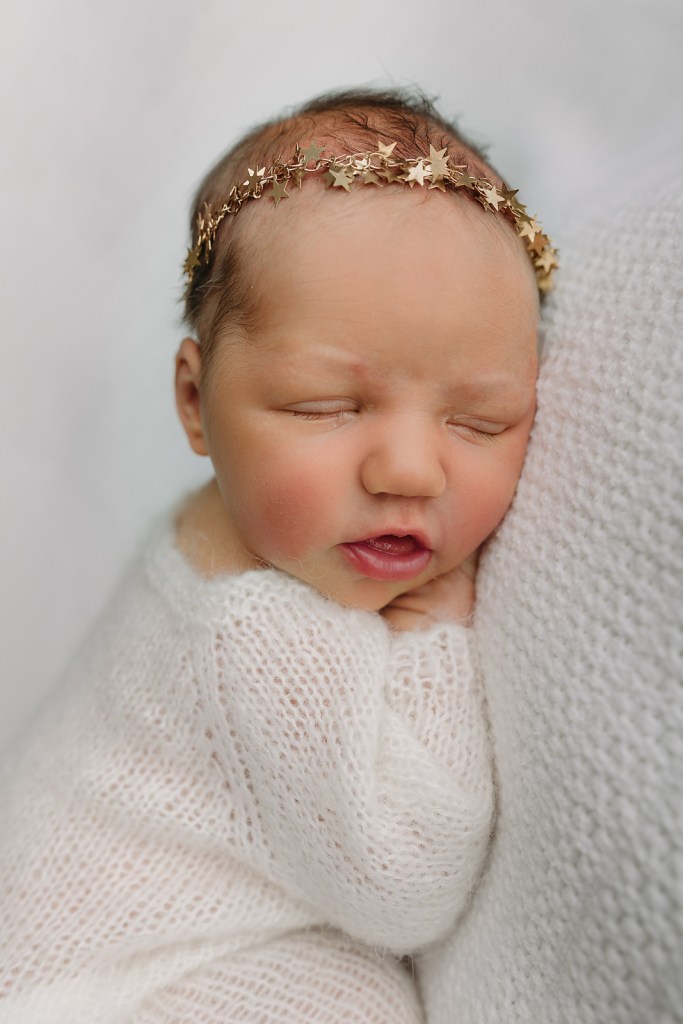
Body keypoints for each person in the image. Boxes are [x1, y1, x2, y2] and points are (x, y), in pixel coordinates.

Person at [0, 89, 555, 1023]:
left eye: (478, 422)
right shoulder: (250, 632)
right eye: (324, 408)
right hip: (102, 985)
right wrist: (433, 639)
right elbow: (408, 887)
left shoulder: (237, 533)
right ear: (194, 401)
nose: (411, 469)